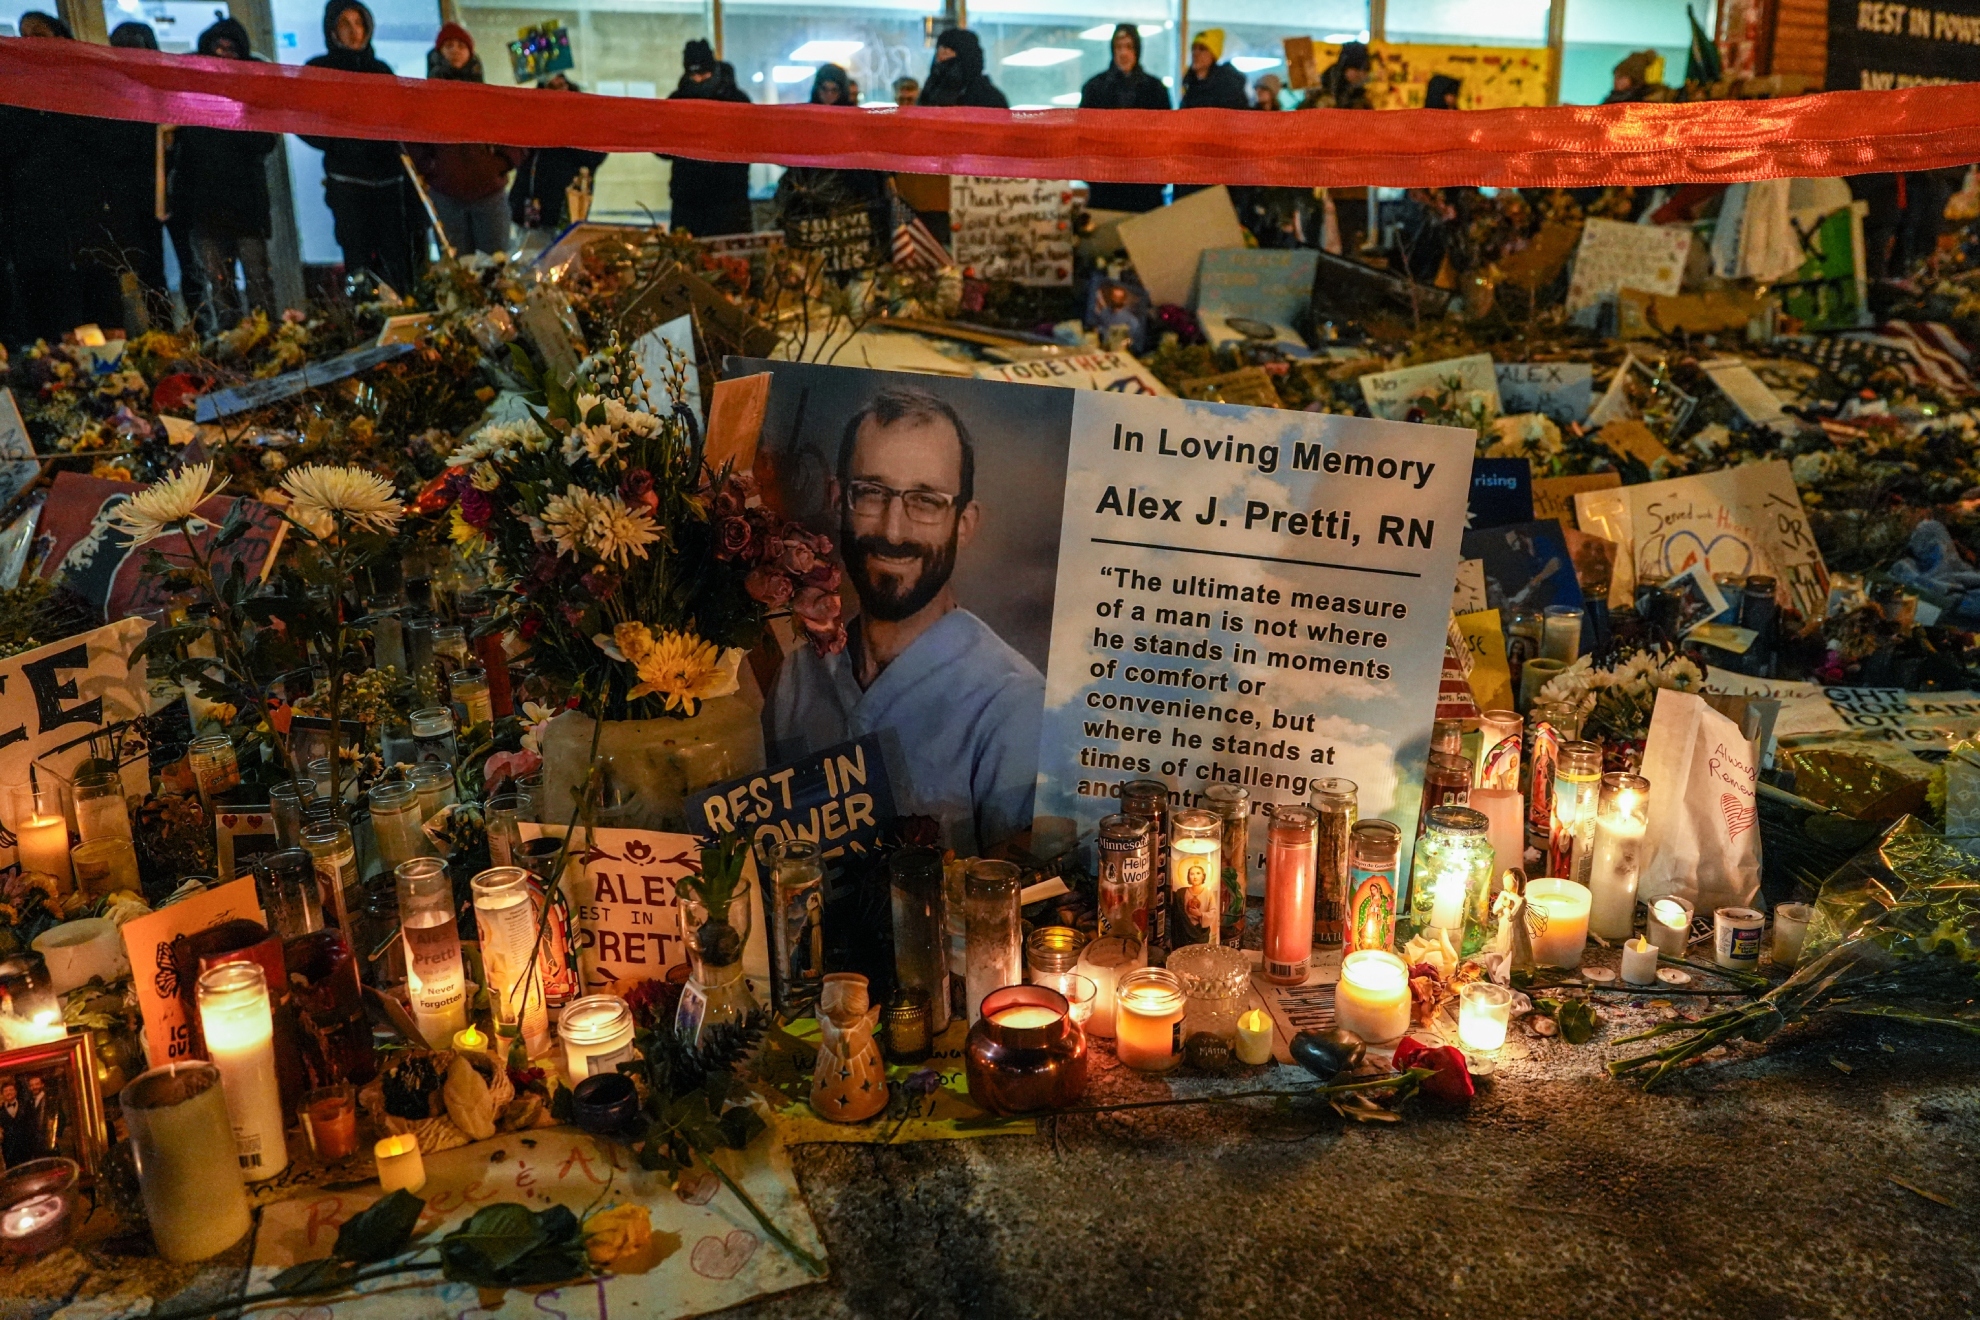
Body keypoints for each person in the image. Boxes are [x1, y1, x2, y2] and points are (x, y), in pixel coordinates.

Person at [766, 387, 1043, 855]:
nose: (894, 531)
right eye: (871, 493)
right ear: (838, 501)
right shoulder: (797, 677)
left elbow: (1021, 907)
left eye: (926, 501)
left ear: (965, 523)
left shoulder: (1014, 707)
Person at [302, 0, 427, 292]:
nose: (354, 31)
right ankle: (365, 320)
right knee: (358, 264)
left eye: (359, 23)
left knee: (396, 261)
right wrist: (336, 141)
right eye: (345, 24)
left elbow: (402, 120)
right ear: (332, 30)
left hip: (388, 182)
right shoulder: (320, 70)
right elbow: (301, 117)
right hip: (347, 182)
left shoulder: (381, 70)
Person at [170, 19, 278, 331]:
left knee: (258, 285)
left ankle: (269, 345)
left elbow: (264, 142)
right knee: (221, 289)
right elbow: (183, 153)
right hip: (207, 208)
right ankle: (235, 350)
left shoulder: (252, 94)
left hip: (245, 206)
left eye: (231, 49)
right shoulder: (191, 96)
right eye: (218, 49)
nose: (224, 56)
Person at [406, 25, 521, 256]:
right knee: (458, 271)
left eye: (461, 45)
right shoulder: (426, 100)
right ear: (439, 51)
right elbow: (414, 140)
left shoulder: (489, 98)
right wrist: (433, 168)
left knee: (497, 268)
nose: (456, 51)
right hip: (446, 196)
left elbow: (514, 134)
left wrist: (498, 165)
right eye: (449, 45)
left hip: (489, 195)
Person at [776, 65, 890, 255]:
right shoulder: (807, 119)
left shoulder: (855, 120)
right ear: (817, 90)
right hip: (812, 203)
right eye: (824, 90)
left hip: (850, 199)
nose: (829, 96)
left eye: (834, 90)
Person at [664, 39, 752, 239]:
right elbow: (661, 150)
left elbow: (751, 143)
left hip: (728, 201)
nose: (698, 80)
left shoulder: (737, 101)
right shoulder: (677, 101)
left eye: (704, 74)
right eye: (693, 74)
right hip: (689, 202)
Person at [1077, 23, 1169, 214]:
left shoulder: (1155, 90)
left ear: (1137, 50)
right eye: (1118, 47)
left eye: (1129, 46)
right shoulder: (1094, 89)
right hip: (1105, 188)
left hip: (1144, 190)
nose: (1123, 53)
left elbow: (1166, 141)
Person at [509, 74, 606, 250]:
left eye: (561, 84)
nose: (558, 88)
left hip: (567, 206)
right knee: (531, 260)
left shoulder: (583, 114)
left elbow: (595, 155)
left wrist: (564, 125)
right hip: (532, 205)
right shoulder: (530, 113)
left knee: (567, 260)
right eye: (551, 86)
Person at [1175, 32, 1247, 201]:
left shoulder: (1228, 90)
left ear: (1213, 54)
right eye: (1194, 48)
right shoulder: (1191, 87)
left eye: (1202, 49)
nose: (1196, 53)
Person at [919, 28, 1008, 109]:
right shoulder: (931, 90)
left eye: (947, 49)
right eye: (939, 50)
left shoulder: (988, 98)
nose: (940, 56)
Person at [1304, 41, 1372, 110]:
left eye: (1364, 71)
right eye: (1357, 70)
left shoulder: (1359, 90)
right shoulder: (1330, 80)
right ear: (1346, 68)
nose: (1361, 75)